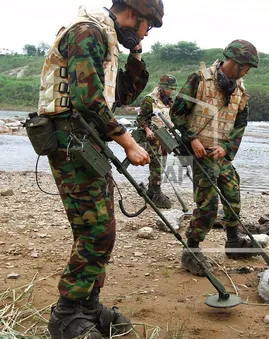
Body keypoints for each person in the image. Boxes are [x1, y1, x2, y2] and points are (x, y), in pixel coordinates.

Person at [36, 1, 163, 338]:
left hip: (85, 141)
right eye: (148, 26)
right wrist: (128, 143)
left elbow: (120, 95)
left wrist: (136, 54)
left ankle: (88, 307)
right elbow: (88, 99)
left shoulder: (105, 39)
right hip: (70, 141)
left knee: (99, 230)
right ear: (135, 15)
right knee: (97, 232)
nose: (147, 32)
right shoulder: (87, 33)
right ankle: (65, 315)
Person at [170, 39, 261, 276]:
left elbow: (241, 124)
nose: (248, 71)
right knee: (208, 204)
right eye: (247, 66)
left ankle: (233, 243)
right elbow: (177, 112)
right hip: (199, 152)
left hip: (221, 155)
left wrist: (228, 148)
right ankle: (191, 251)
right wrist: (192, 138)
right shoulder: (199, 79)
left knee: (232, 196)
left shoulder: (240, 91)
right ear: (237, 62)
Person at [136, 74, 178, 208]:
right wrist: (147, 131)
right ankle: (156, 193)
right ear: (162, 87)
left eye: (172, 89)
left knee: (162, 164)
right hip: (152, 138)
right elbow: (141, 118)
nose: (171, 91)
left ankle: (152, 191)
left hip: (165, 138)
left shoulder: (168, 101)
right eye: (169, 89)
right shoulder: (150, 99)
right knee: (157, 165)